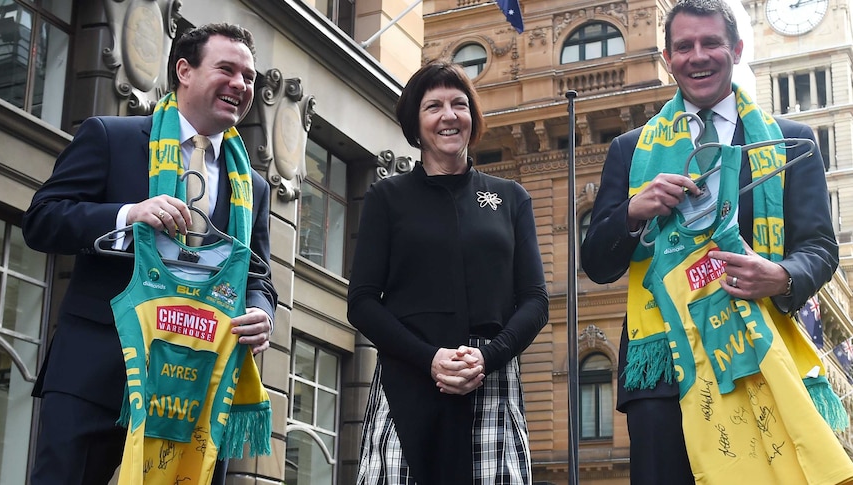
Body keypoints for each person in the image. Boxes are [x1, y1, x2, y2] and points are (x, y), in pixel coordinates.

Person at [582, 1, 852, 484]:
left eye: (711, 43)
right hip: (662, 371)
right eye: (683, 46)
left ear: (737, 50)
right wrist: (632, 211)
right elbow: (597, 263)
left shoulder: (791, 143)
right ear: (668, 58)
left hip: (759, 352)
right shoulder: (630, 149)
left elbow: (819, 248)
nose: (697, 56)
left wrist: (782, 275)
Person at [23, 23, 277, 485]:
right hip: (96, 374)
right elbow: (42, 220)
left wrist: (261, 312)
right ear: (184, 70)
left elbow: (258, 276)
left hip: (194, 389)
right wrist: (126, 215)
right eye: (227, 69)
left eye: (250, 76)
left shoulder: (254, 187)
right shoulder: (110, 137)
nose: (241, 85)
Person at [347, 60, 548, 484]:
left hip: (488, 377)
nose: (449, 115)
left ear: (472, 119)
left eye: (460, 104)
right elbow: (363, 302)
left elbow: (535, 300)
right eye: (433, 106)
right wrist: (430, 359)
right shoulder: (387, 197)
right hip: (409, 373)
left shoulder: (511, 198)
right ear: (415, 124)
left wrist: (487, 358)